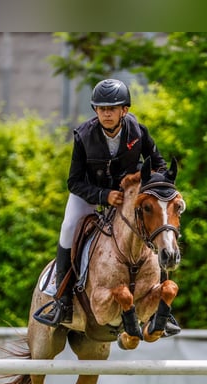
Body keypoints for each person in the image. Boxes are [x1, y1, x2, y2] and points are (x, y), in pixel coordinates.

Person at [33, 78, 180, 336]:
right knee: (68, 227)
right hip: (91, 194)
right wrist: (104, 195)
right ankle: (62, 300)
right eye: (101, 109)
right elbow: (74, 181)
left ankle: (163, 312)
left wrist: (154, 188)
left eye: (113, 108)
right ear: (95, 110)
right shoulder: (83, 136)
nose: (107, 113)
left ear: (125, 110)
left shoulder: (138, 131)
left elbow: (158, 163)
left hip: (128, 198)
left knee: (158, 225)